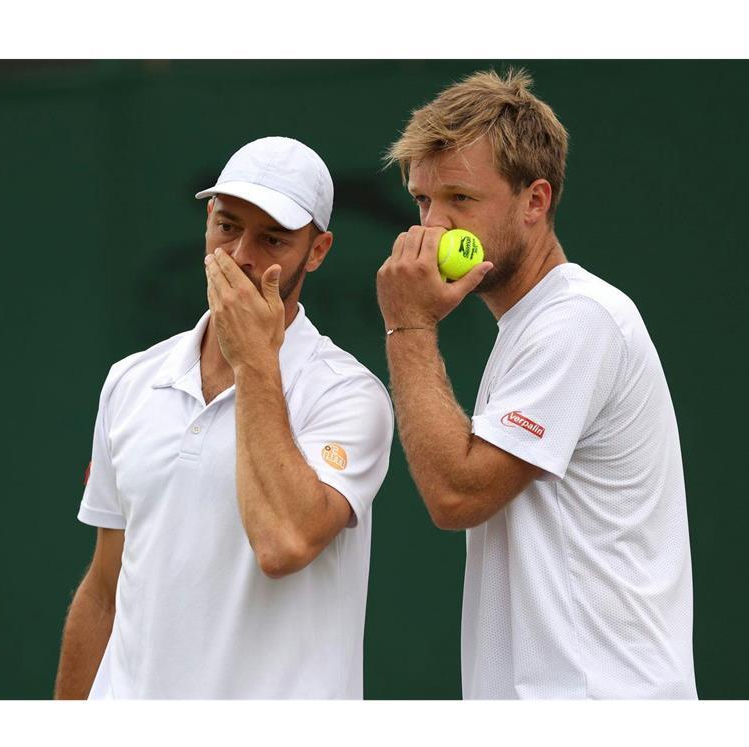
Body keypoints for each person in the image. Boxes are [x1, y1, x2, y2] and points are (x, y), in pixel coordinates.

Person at [376, 69, 696, 699]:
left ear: (535, 201)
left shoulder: (577, 321)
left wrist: (408, 327)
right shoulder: (538, 323)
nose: (432, 228)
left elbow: (456, 494)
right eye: (422, 201)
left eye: (460, 200)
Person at [54, 136, 394, 699]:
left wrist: (255, 361)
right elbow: (105, 589)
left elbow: (284, 543)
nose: (241, 256)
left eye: (273, 239)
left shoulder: (350, 396)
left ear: (318, 250)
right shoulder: (130, 380)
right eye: (228, 226)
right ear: (207, 221)